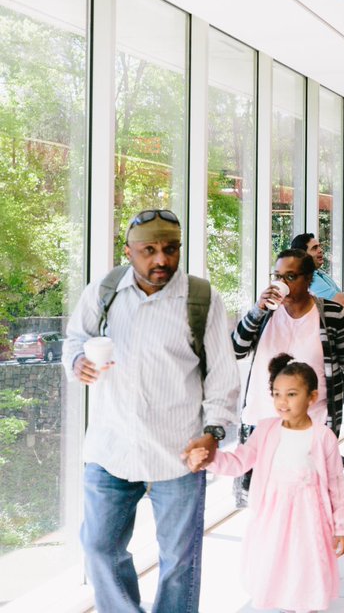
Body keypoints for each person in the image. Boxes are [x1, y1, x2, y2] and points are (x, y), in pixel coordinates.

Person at [62, 209, 240, 613]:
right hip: (111, 448)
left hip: (178, 452)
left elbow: (222, 374)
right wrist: (77, 361)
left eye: (171, 249)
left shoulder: (200, 298)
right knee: (99, 547)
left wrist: (213, 432)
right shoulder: (103, 292)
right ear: (129, 252)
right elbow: (75, 339)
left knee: (179, 562)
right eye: (150, 251)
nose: (162, 259)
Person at [187, 355, 344, 613]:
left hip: (310, 519)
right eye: (276, 394)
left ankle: (307, 608)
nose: (282, 402)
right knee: (277, 570)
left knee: (306, 568)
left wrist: (342, 527)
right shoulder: (265, 430)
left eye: (292, 394)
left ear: (312, 397)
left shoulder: (322, 436)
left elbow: (336, 486)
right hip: (272, 518)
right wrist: (210, 459)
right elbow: (239, 462)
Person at [232, 249, 344, 476]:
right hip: (260, 426)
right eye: (277, 276)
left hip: (312, 429)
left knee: (307, 492)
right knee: (263, 495)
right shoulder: (265, 314)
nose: (282, 283)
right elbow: (236, 350)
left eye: (290, 276)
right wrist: (256, 310)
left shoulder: (333, 316)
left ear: (309, 279)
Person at [292, 233, 344, 313]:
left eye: (319, 246)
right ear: (302, 255)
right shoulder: (307, 276)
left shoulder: (320, 274)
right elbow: (343, 302)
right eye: (314, 248)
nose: (320, 250)